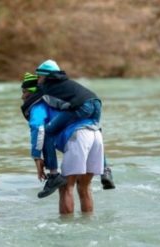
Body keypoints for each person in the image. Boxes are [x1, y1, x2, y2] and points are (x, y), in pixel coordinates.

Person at [20, 74, 103, 214]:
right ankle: (88, 225)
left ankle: (68, 231)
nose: (22, 97)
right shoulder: (61, 99)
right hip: (96, 134)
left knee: (65, 187)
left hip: (78, 137)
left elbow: (38, 128)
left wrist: (36, 157)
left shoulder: (39, 105)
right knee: (84, 186)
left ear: (34, 92)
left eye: (24, 92)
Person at [35, 60, 115, 190]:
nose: (37, 79)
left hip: (83, 105)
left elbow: (38, 100)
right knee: (95, 130)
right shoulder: (65, 82)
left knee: (48, 131)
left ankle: (53, 175)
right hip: (96, 102)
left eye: (38, 76)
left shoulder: (46, 87)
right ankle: (106, 171)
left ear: (46, 76)